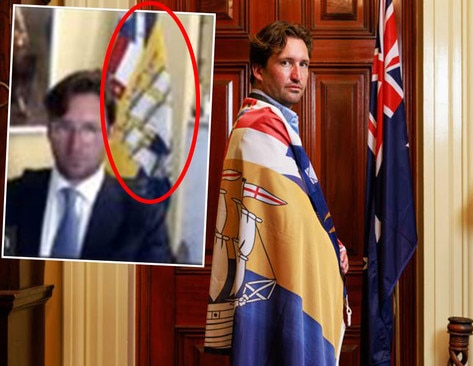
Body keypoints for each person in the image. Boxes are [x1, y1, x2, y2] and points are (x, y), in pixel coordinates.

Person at [204, 20, 349, 364]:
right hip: (279, 285)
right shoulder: (258, 127)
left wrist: (333, 245)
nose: (298, 75)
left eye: (304, 64)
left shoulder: (274, 122)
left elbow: (296, 214)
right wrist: (329, 250)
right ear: (258, 70)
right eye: (285, 63)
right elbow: (289, 226)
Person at [3, 69, 172, 263]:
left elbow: (161, 291)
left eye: (89, 129)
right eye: (64, 127)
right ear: (49, 130)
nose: (75, 144)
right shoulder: (12, 198)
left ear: (110, 134)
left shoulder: (143, 216)